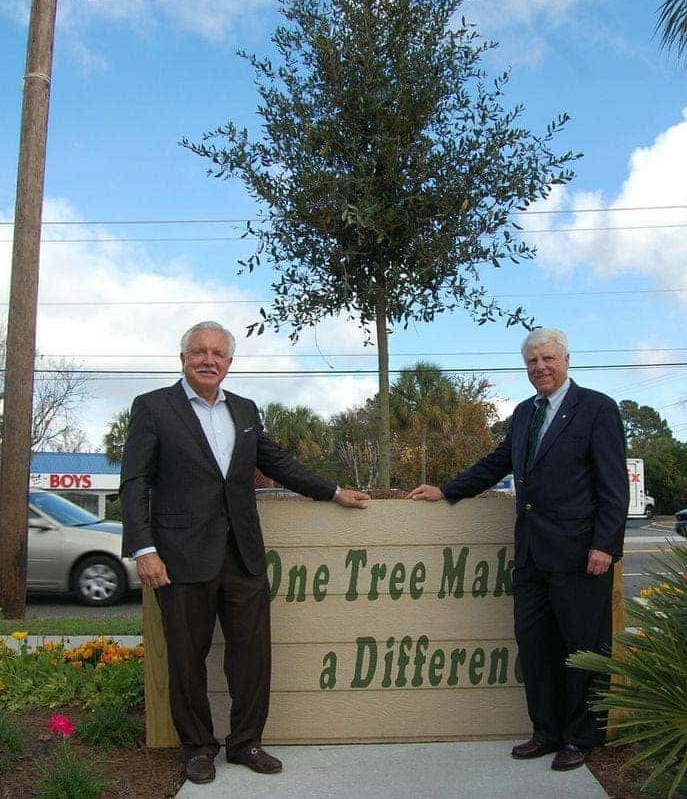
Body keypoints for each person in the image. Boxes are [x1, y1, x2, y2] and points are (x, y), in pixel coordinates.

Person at [120, 321, 368, 785]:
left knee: (252, 655)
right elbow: (135, 482)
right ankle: (197, 747)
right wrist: (143, 548)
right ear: (183, 359)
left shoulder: (246, 409)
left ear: (230, 363)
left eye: (218, 354)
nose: (208, 360)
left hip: (243, 555)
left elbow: (276, 461)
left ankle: (246, 742)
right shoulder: (153, 407)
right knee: (186, 658)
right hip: (179, 557)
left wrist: (332, 490)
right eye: (199, 352)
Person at [410, 327, 628, 772]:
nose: (540, 367)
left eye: (548, 359)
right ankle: (546, 732)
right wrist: (448, 490)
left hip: (580, 555)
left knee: (582, 649)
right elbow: (498, 462)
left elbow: (613, 485)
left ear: (566, 360)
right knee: (535, 646)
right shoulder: (524, 412)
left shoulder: (597, 409)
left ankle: (581, 737)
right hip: (530, 554)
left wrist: (605, 545)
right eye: (532, 361)